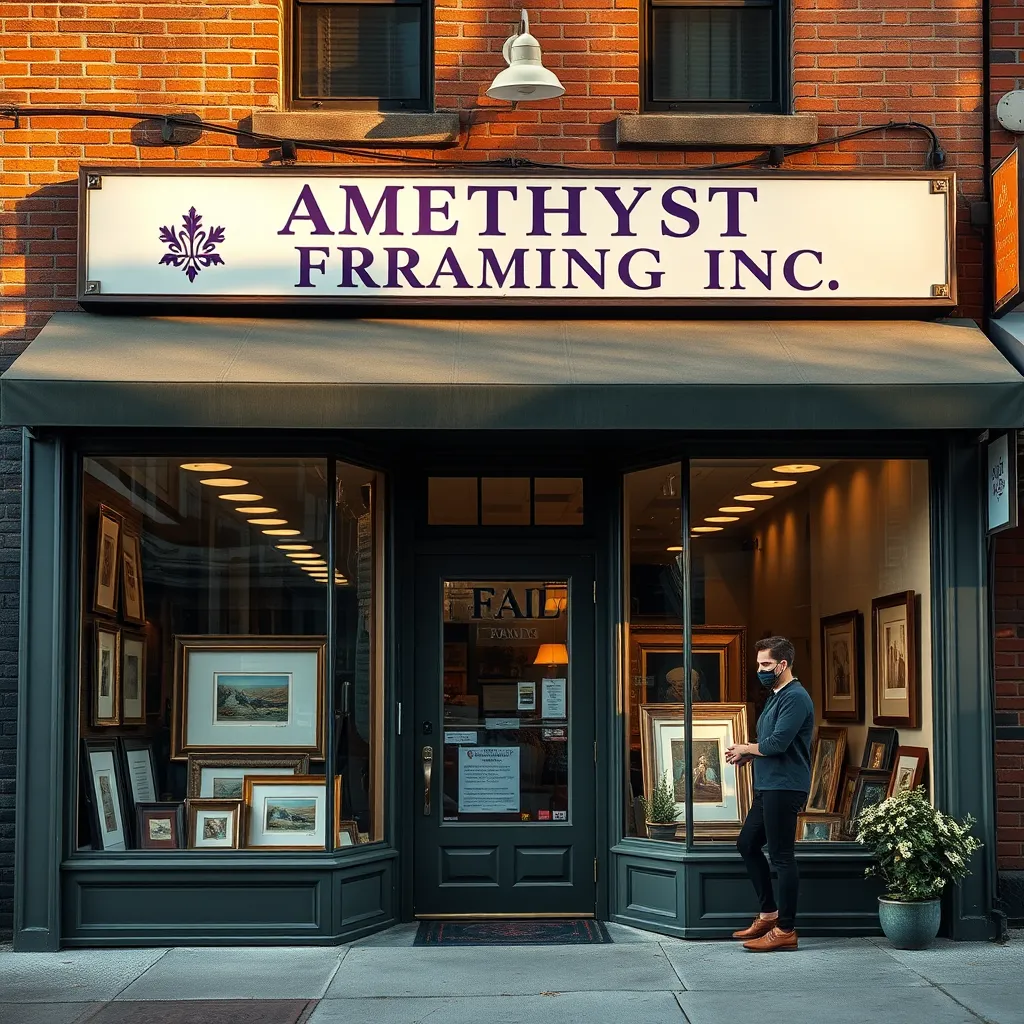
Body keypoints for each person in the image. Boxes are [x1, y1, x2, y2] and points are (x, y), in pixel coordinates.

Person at [725, 636, 815, 952]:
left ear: (783, 664)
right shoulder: (776, 695)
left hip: (785, 785)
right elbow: (771, 741)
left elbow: (778, 744)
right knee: (747, 844)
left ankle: (786, 929)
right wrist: (750, 753)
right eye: (759, 664)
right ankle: (768, 913)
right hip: (768, 784)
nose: (760, 670)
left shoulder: (796, 698)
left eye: (766, 665)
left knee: (782, 857)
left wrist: (747, 748)